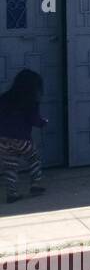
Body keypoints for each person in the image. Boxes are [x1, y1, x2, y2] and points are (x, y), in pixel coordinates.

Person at [0, 69, 47, 202]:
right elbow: (34, 120)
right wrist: (43, 123)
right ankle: (36, 185)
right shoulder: (31, 101)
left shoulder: (4, 98)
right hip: (21, 139)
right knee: (34, 158)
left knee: (10, 166)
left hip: (2, 138)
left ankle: (12, 194)